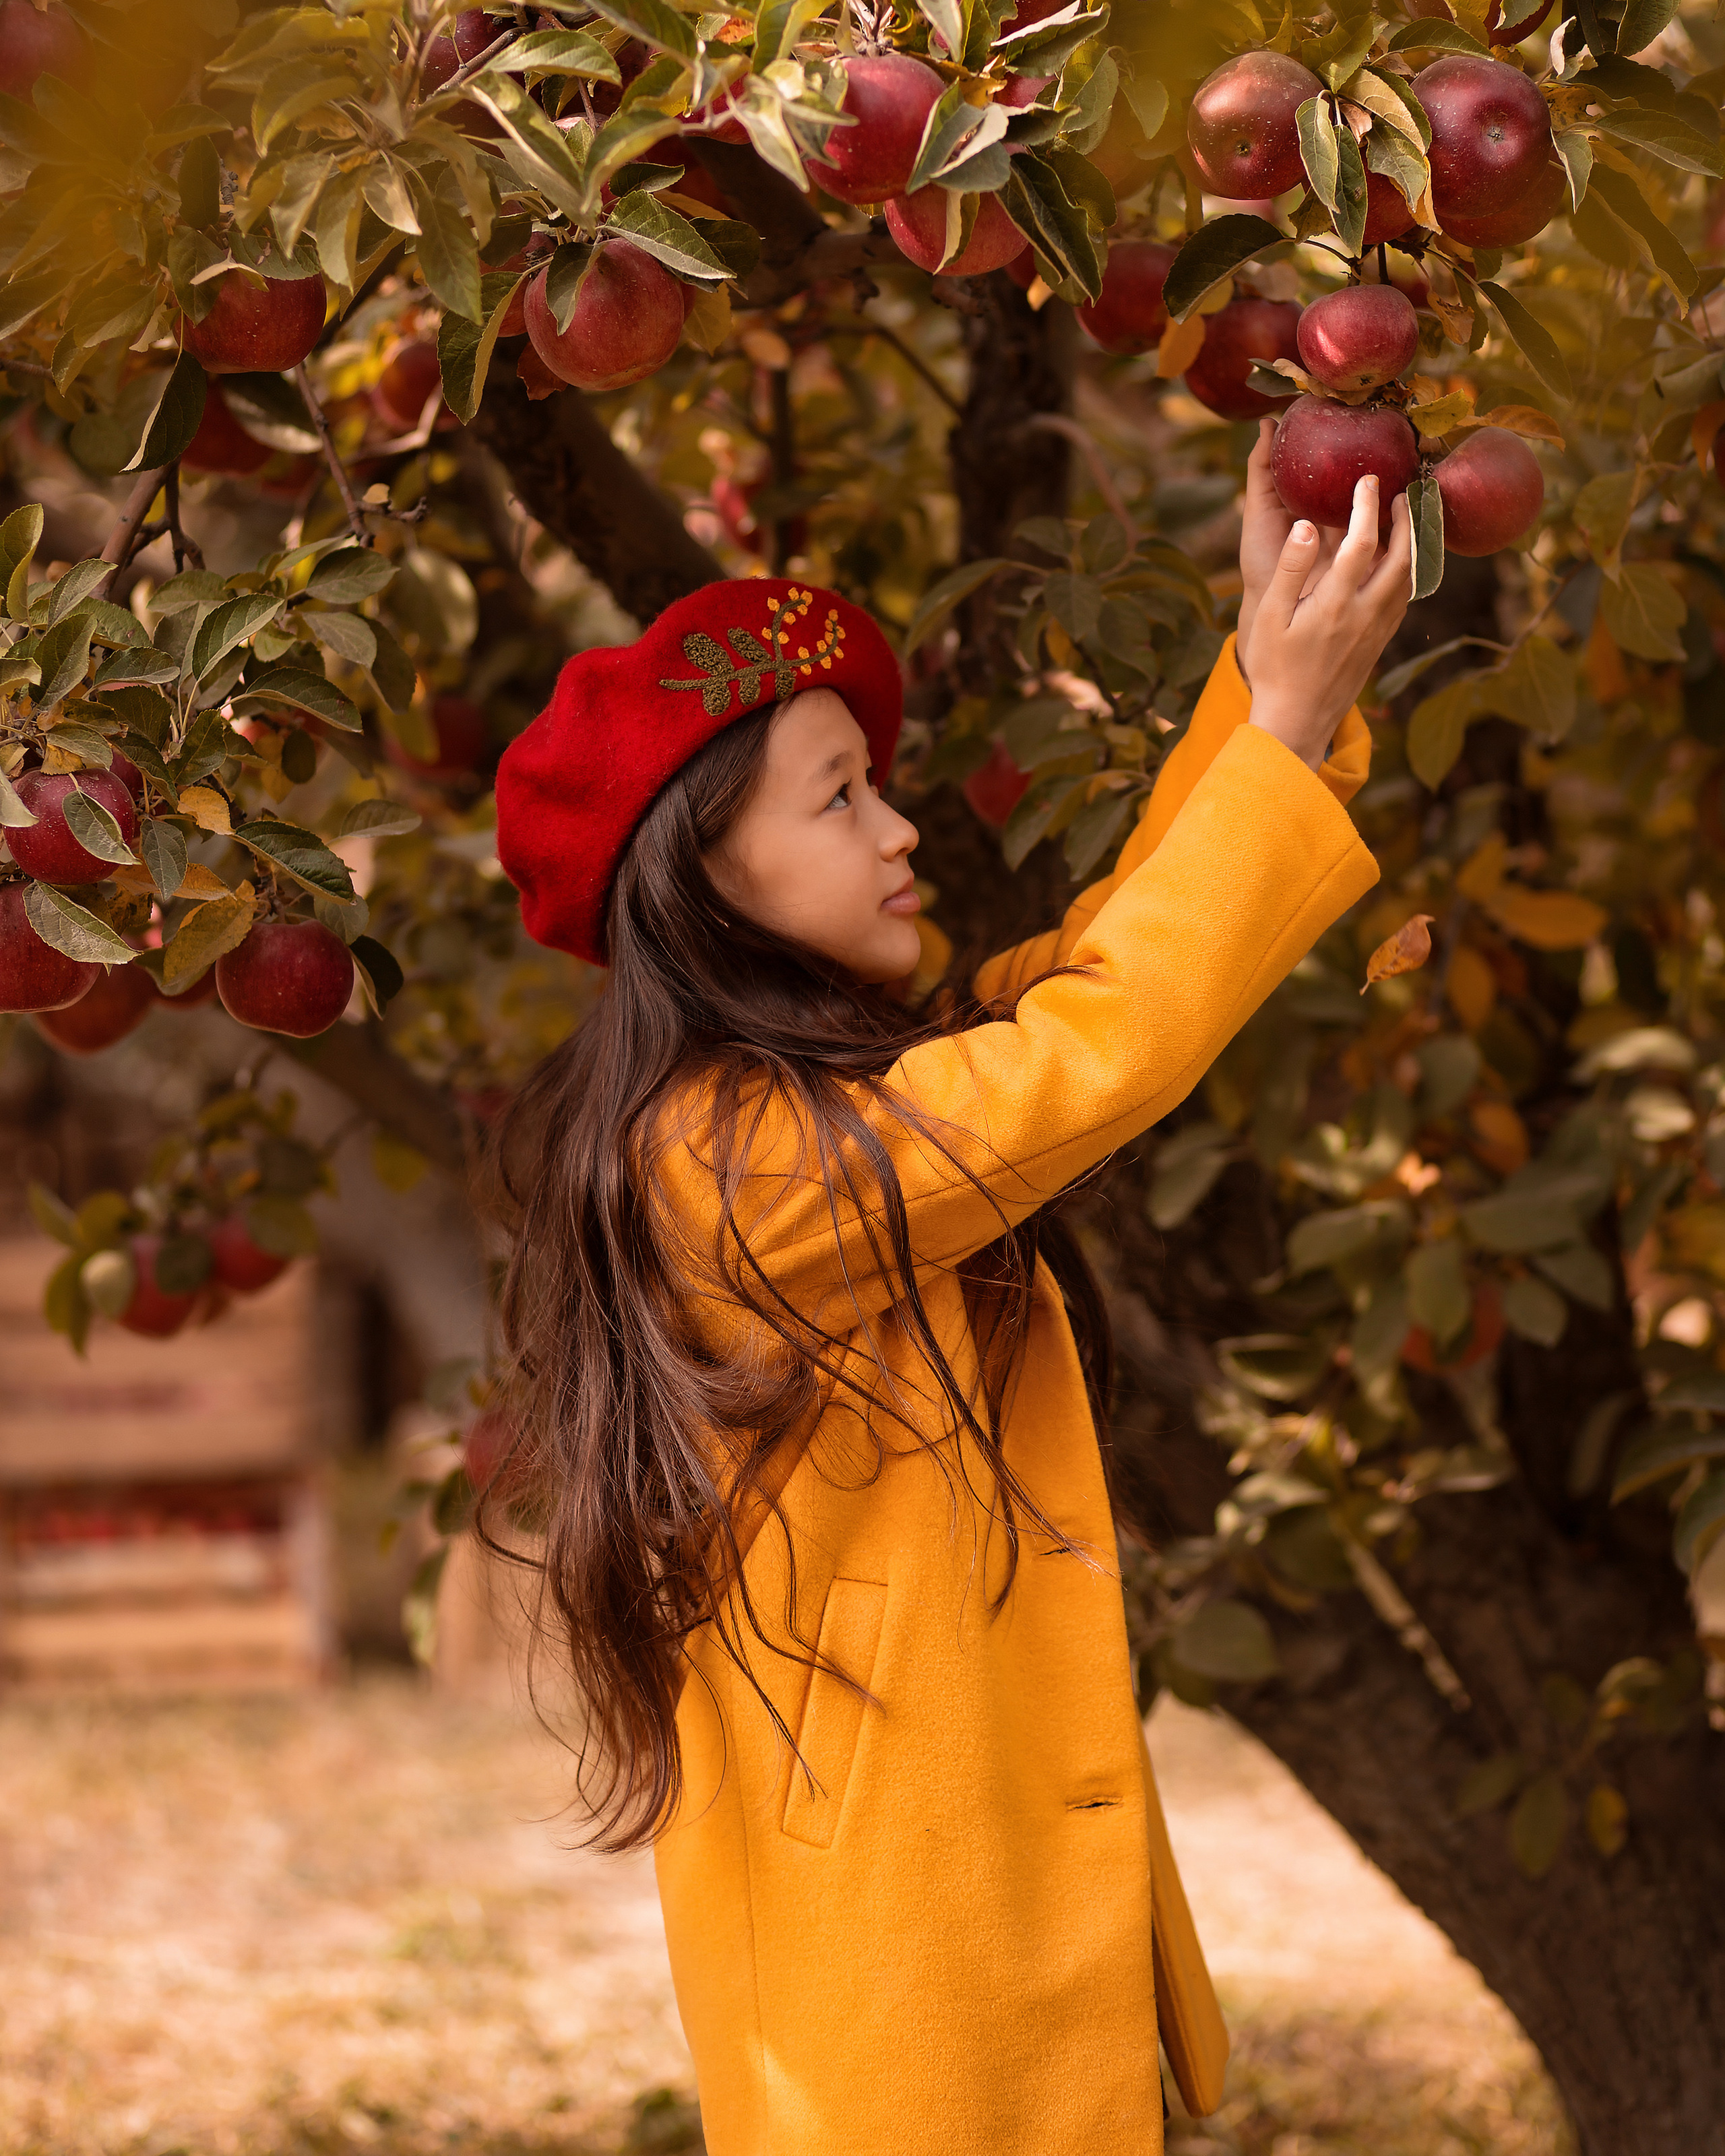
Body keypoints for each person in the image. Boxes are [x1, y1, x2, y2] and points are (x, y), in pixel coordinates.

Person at [490, 435, 1412, 2156]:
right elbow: (1092, 1053)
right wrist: (1275, 728)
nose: (899, 825)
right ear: (702, 874)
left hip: (968, 1946)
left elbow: (1104, 955)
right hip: (900, 2011)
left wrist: (1259, 674)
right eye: (835, 796)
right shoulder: (728, 1162)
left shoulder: (845, 1094)